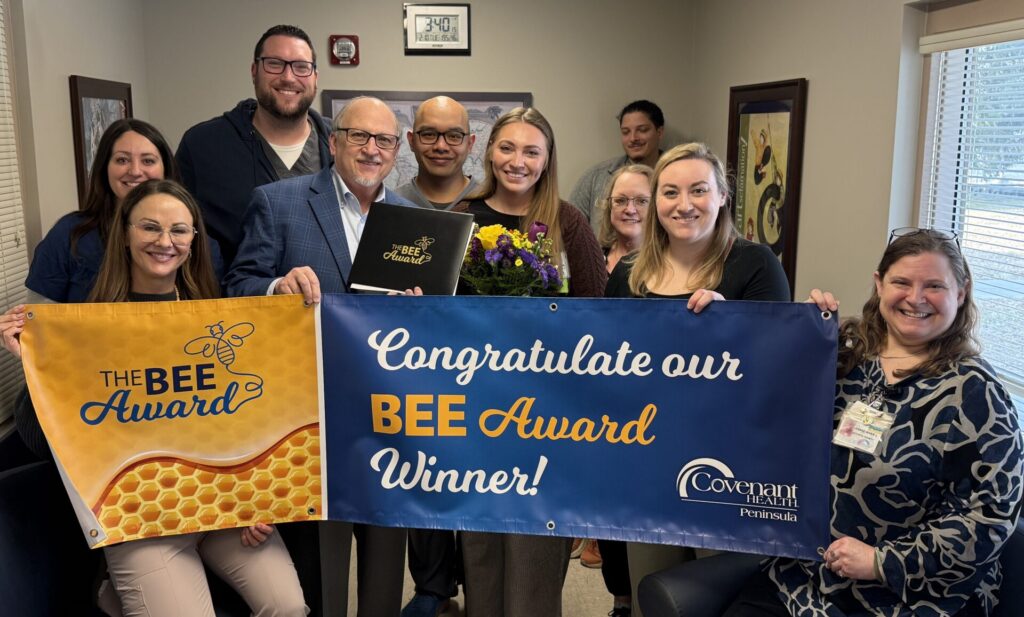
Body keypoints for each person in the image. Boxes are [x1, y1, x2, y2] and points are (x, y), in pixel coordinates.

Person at [1, 179, 308, 617]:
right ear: (125, 234)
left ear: (193, 241)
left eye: (179, 230)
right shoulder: (84, 328)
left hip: (223, 508)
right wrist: (36, 368)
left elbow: (252, 420)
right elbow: (39, 440)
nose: (165, 242)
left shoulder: (216, 317)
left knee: (288, 606)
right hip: (140, 519)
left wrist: (258, 500)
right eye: (150, 228)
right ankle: (113, 585)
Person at [722, 228, 1024, 617]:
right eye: (902, 282)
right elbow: (760, 393)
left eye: (934, 286)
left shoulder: (974, 392)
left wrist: (883, 561)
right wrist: (729, 322)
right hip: (804, 579)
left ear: (961, 293)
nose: (916, 298)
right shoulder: (845, 351)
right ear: (879, 284)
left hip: (909, 597)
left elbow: (991, 518)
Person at [224, 96, 419, 617]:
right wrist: (276, 287)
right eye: (359, 136)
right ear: (333, 142)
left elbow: (431, 327)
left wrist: (424, 312)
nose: (371, 149)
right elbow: (237, 287)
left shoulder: (414, 219)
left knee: (384, 554)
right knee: (323, 561)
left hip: (388, 415)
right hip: (310, 413)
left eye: (383, 140)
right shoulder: (277, 201)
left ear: (396, 150)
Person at [603, 143, 789, 615]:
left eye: (699, 190)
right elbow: (604, 364)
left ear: (723, 196)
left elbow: (779, 372)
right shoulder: (628, 273)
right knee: (655, 592)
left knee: (724, 590)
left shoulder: (755, 264)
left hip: (728, 466)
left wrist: (735, 329)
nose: (684, 204)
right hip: (646, 459)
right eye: (670, 192)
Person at [453, 106, 607, 617]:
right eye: (507, 148)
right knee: (480, 541)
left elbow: (599, 314)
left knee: (537, 544)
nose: (517, 161)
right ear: (488, 151)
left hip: (549, 413)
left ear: (547, 160)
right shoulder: (459, 218)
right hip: (474, 407)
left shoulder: (567, 221)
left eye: (531, 151)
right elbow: (433, 314)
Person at [176, 24, 331, 267]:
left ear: (315, 77)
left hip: (328, 302)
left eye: (301, 67)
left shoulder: (342, 145)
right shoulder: (202, 146)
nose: (288, 77)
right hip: (234, 300)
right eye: (274, 64)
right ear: (254, 71)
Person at [25, 118, 224, 303]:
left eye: (148, 161)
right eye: (122, 160)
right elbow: (38, 317)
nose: (135, 171)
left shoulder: (201, 244)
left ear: (166, 168)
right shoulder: (70, 234)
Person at [569, 100, 665, 233]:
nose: (633, 138)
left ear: (659, 132)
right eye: (626, 132)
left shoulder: (677, 177)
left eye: (642, 130)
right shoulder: (596, 178)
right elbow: (570, 230)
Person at [396, 95, 479, 210]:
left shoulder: (492, 203)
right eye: (428, 134)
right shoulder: (390, 204)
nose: (441, 146)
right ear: (411, 141)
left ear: (470, 144)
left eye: (454, 136)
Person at [597, 163, 654, 274]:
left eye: (642, 201)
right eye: (620, 200)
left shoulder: (670, 264)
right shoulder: (593, 259)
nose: (630, 210)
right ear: (608, 206)